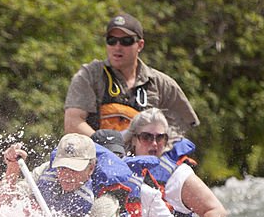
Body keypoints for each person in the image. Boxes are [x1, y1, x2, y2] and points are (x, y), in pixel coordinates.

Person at [2, 133, 181, 217]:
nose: (66, 175)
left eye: (74, 169)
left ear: (91, 168)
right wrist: (12, 168)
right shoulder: (45, 172)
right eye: (63, 167)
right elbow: (5, 199)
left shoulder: (104, 202)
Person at [64, 13, 199, 137]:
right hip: (97, 156)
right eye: (111, 40)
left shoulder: (162, 84)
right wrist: (106, 146)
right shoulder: (89, 75)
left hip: (144, 159)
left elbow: (183, 128)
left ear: (140, 45)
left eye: (126, 41)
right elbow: (72, 123)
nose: (117, 47)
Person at [122, 108, 228, 217]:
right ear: (134, 139)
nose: (154, 143)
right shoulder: (120, 169)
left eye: (160, 138)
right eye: (147, 137)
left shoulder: (178, 175)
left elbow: (216, 211)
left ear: (166, 141)